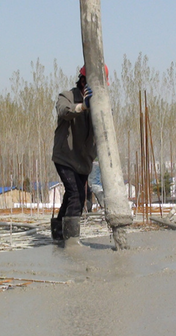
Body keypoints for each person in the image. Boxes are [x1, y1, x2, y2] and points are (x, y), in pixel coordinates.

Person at [51, 64, 109, 246]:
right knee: (74, 194)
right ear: (83, 81)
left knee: (75, 197)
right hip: (66, 157)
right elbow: (63, 111)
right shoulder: (66, 97)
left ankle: (58, 232)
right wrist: (82, 106)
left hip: (83, 160)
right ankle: (71, 242)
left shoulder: (98, 105)